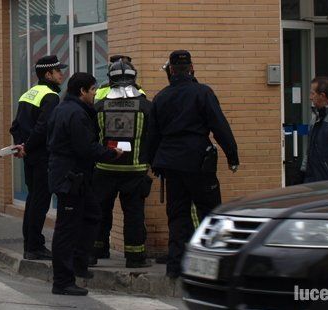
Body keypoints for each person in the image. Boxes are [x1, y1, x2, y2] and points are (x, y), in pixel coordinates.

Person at [148, 50, 239, 278]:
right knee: (209, 213)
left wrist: (153, 162)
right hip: (199, 162)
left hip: (172, 164)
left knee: (177, 215)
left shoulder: (161, 97)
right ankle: (211, 265)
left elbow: (152, 135)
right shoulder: (203, 93)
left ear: (170, 70)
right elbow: (219, 126)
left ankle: (175, 266)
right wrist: (232, 156)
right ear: (191, 68)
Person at [47, 72, 122, 296]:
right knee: (66, 229)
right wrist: (111, 153)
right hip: (70, 178)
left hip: (76, 176)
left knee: (92, 215)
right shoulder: (74, 114)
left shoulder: (66, 109)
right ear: (82, 91)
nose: (95, 94)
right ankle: (62, 281)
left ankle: (79, 263)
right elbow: (85, 148)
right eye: (92, 90)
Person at [91, 60, 153, 268]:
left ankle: (97, 250)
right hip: (135, 171)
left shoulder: (98, 106)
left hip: (104, 169)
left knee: (100, 211)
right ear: (134, 79)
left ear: (110, 80)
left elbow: (91, 138)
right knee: (134, 214)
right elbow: (154, 137)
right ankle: (135, 257)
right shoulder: (146, 106)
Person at [9, 55, 66, 260]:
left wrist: (21, 146)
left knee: (33, 200)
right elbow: (44, 128)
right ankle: (34, 246)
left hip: (29, 156)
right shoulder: (50, 96)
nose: (62, 74)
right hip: (41, 156)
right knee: (40, 202)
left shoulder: (28, 94)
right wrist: (28, 146)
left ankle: (30, 244)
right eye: (58, 71)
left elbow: (15, 126)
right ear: (48, 74)